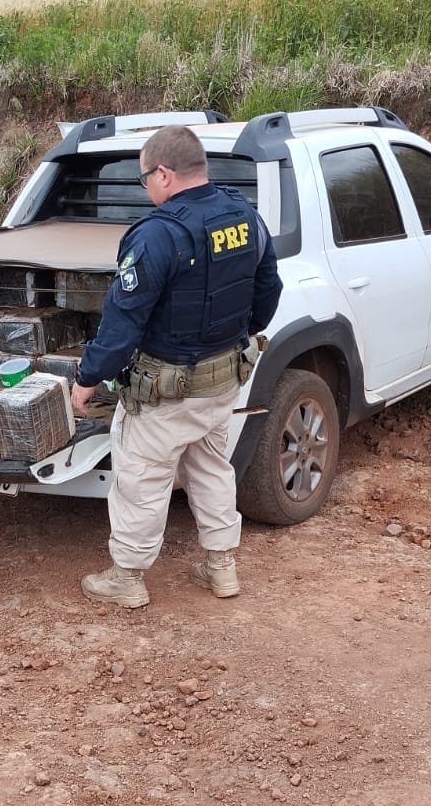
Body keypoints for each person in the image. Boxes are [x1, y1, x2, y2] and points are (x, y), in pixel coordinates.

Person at [70, 125, 282, 608]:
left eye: (146, 179)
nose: (147, 190)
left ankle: (126, 577)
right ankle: (221, 566)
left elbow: (121, 324)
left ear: (163, 173)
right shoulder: (245, 216)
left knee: (141, 478)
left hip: (165, 390)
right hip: (223, 379)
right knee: (210, 465)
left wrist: (87, 377)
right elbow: (268, 292)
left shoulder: (158, 236)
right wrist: (233, 335)